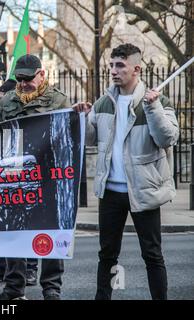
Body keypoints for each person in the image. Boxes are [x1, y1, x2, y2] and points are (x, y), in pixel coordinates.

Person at [74, 43, 179, 300]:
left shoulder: (158, 101)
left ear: (136, 69)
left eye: (120, 65)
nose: (113, 70)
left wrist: (153, 108)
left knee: (152, 254)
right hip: (110, 191)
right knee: (107, 254)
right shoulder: (104, 102)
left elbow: (168, 138)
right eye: (111, 65)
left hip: (144, 190)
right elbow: (88, 140)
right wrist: (81, 117)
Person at [0, 54, 68, 300]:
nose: (22, 83)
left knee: (50, 232)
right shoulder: (8, 100)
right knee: (14, 232)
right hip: (14, 177)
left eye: (27, 78)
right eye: (19, 79)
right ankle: (14, 288)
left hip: (46, 178)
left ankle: (51, 287)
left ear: (42, 74)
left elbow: (68, 135)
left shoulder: (57, 100)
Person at [0, 78, 38, 287]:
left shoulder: (25, 108)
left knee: (25, 221)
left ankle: (30, 269)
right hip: (4, 170)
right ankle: (3, 266)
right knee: (4, 220)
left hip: (23, 172)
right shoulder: (2, 111)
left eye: (0, 98)